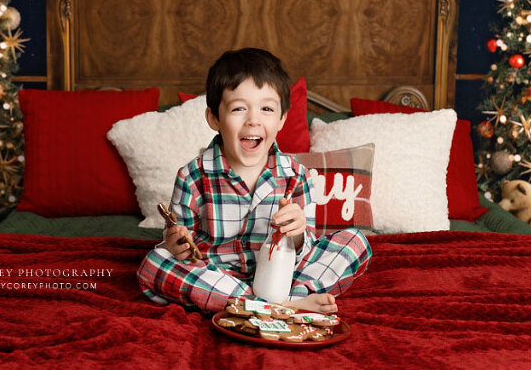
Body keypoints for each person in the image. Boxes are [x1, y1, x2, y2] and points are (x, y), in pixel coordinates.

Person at [137, 48, 371, 313]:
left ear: (282, 118)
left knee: (355, 240)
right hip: (218, 276)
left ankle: (289, 296)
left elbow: (305, 249)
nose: (253, 120)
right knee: (155, 262)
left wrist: (296, 235)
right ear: (214, 118)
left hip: (281, 274)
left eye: (267, 109)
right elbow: (182, 245)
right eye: (239, 108)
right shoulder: (192, 176)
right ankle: (279, 307)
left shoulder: (296, 176)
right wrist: (176, 244)